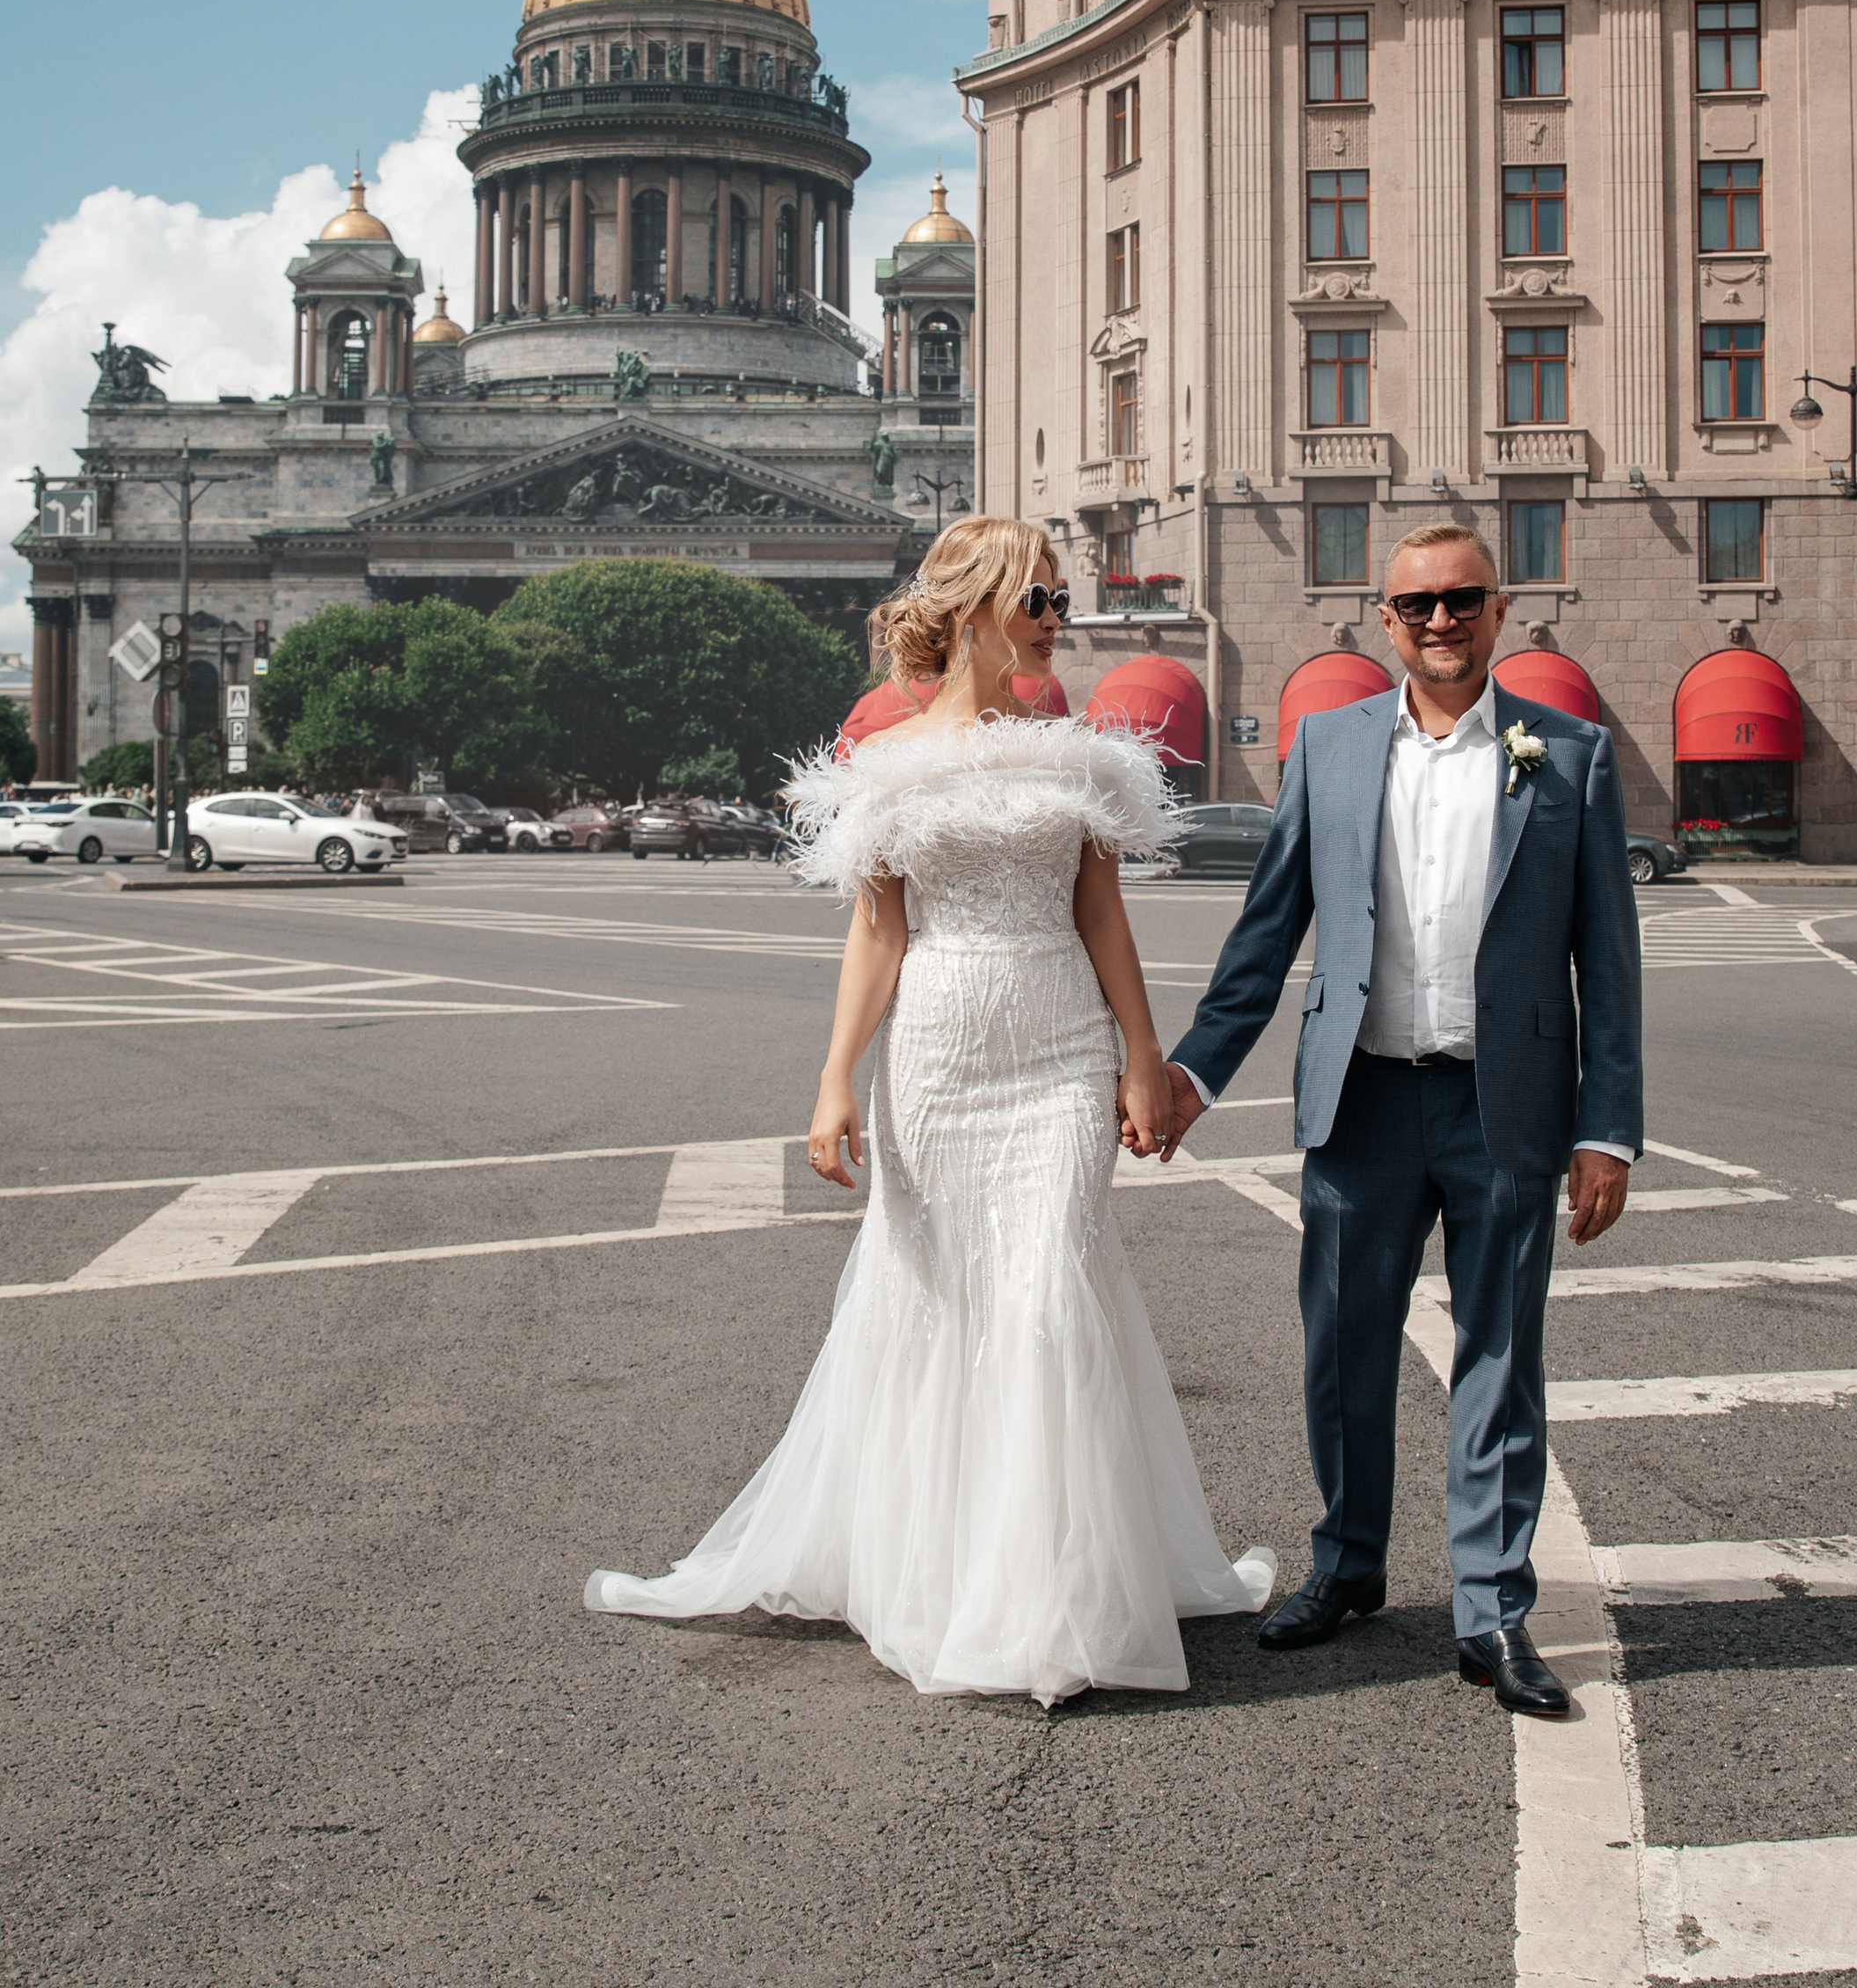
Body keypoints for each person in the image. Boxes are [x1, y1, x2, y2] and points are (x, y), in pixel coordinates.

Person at [584, 513, 1273, 1703]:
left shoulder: (1082, 757)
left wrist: (1143, 1058)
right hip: (941, 1058)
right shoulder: (888, 768)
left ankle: (1048, 1601)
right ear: (971, 614)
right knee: (942, 1299)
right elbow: (877, 931)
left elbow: (1104, 917)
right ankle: (947, 1570)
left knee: (1051, 1289)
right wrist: (832, 1080)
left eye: (1063, 600)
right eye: (1041, 600)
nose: (1061, 620)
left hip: (1059, 1046)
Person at [1165, 520, 1641, 1714]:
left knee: (1500, 1363)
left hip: (1507, 1107)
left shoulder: (1566, 755)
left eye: (1462, 600)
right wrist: (1192, 1075)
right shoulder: (1326, 747)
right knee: (1344, 1352)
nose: (1440, 621)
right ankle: (1349, 1566)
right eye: (1417, 604)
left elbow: (1610, 962)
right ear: (1385, 619)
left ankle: (1491, 1611)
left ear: (1500, 611)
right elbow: (1267, 935)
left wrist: (1608, 1128)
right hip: (1363, 1099)